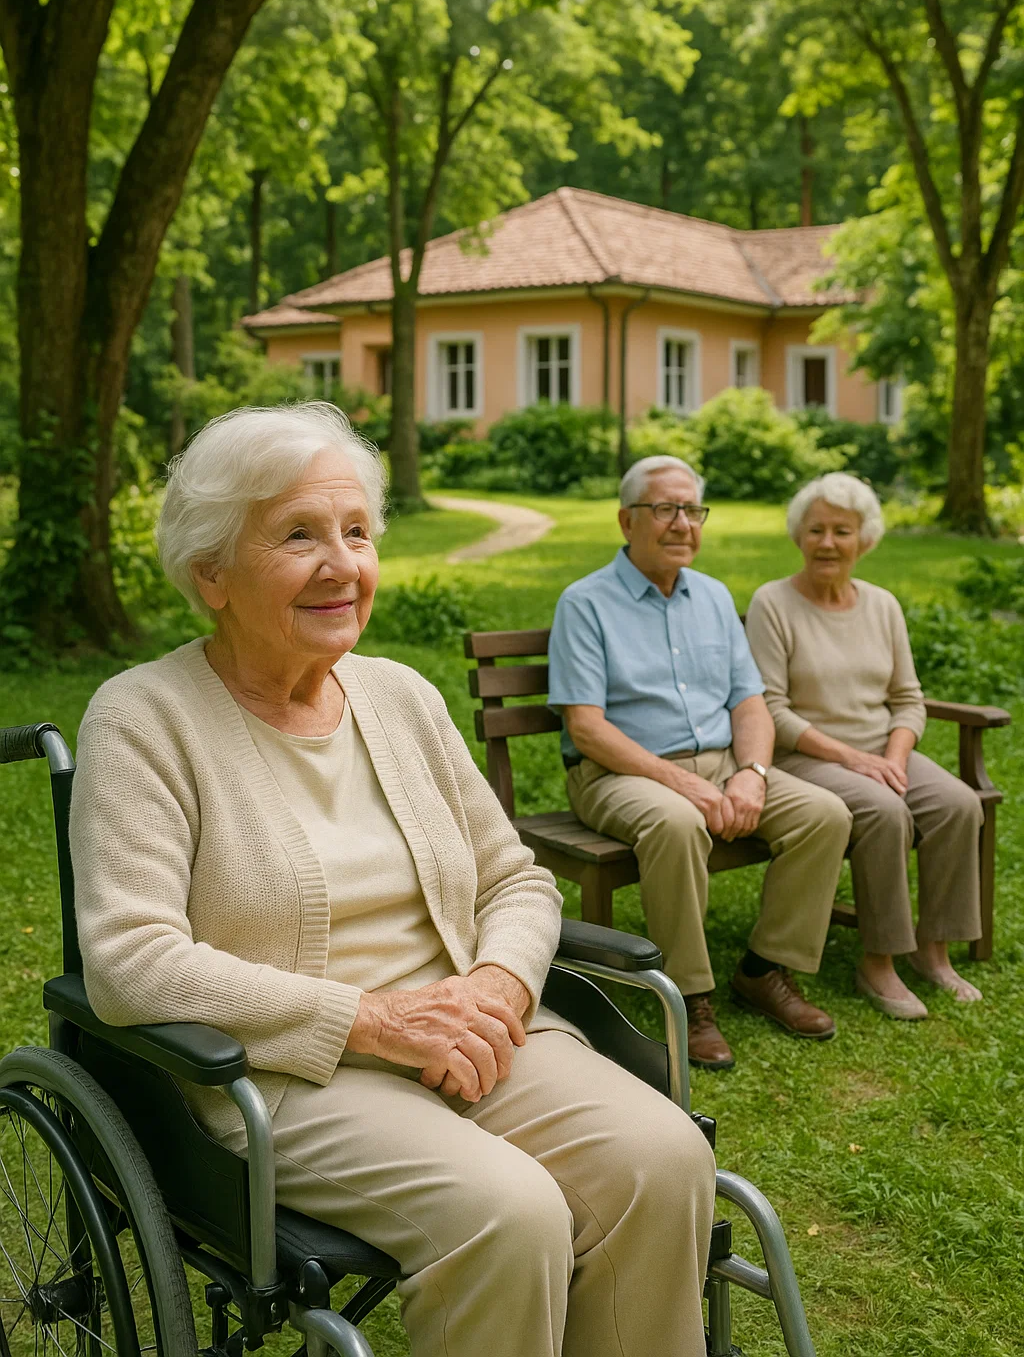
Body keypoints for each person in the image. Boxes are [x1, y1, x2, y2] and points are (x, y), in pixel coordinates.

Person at [69, 403, 716, 1357]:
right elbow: (130, 960)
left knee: (666, 1160)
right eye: (298, 535)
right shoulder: (142, 720)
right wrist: (377, 1022)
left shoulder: (400, 695)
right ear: (210, 571)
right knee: (510, 1214)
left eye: (357, 531)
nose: (343, 565)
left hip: (474, 1034)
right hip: (291, 1074)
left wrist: (496, 991)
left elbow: (516, 883)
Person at [548, 454, 852, 1072]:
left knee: (824, 814)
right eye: (665, 508)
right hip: (618, 774)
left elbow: (750, 701)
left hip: (718, 764)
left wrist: (751, 773)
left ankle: (766, 970)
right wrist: (686, 784)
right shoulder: (585, 603)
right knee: (677, 822)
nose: (682, 523)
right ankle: (690, 997)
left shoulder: (712, 596)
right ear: (626, 520)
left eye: (692, 509)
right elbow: (587, 726)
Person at [745, 472, 983, 1019]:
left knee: (957, 804)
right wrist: (854, 759)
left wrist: (894, 757)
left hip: (881, 750)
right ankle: (878, 960)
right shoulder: (772, 604)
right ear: (798, 537)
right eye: (816, 530)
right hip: (805, 755)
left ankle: (933, 952)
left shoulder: (882, 605)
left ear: (865, 539)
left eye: (842, 531)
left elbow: (908, 698)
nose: (828, 542)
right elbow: (771, 710)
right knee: (883, 810)